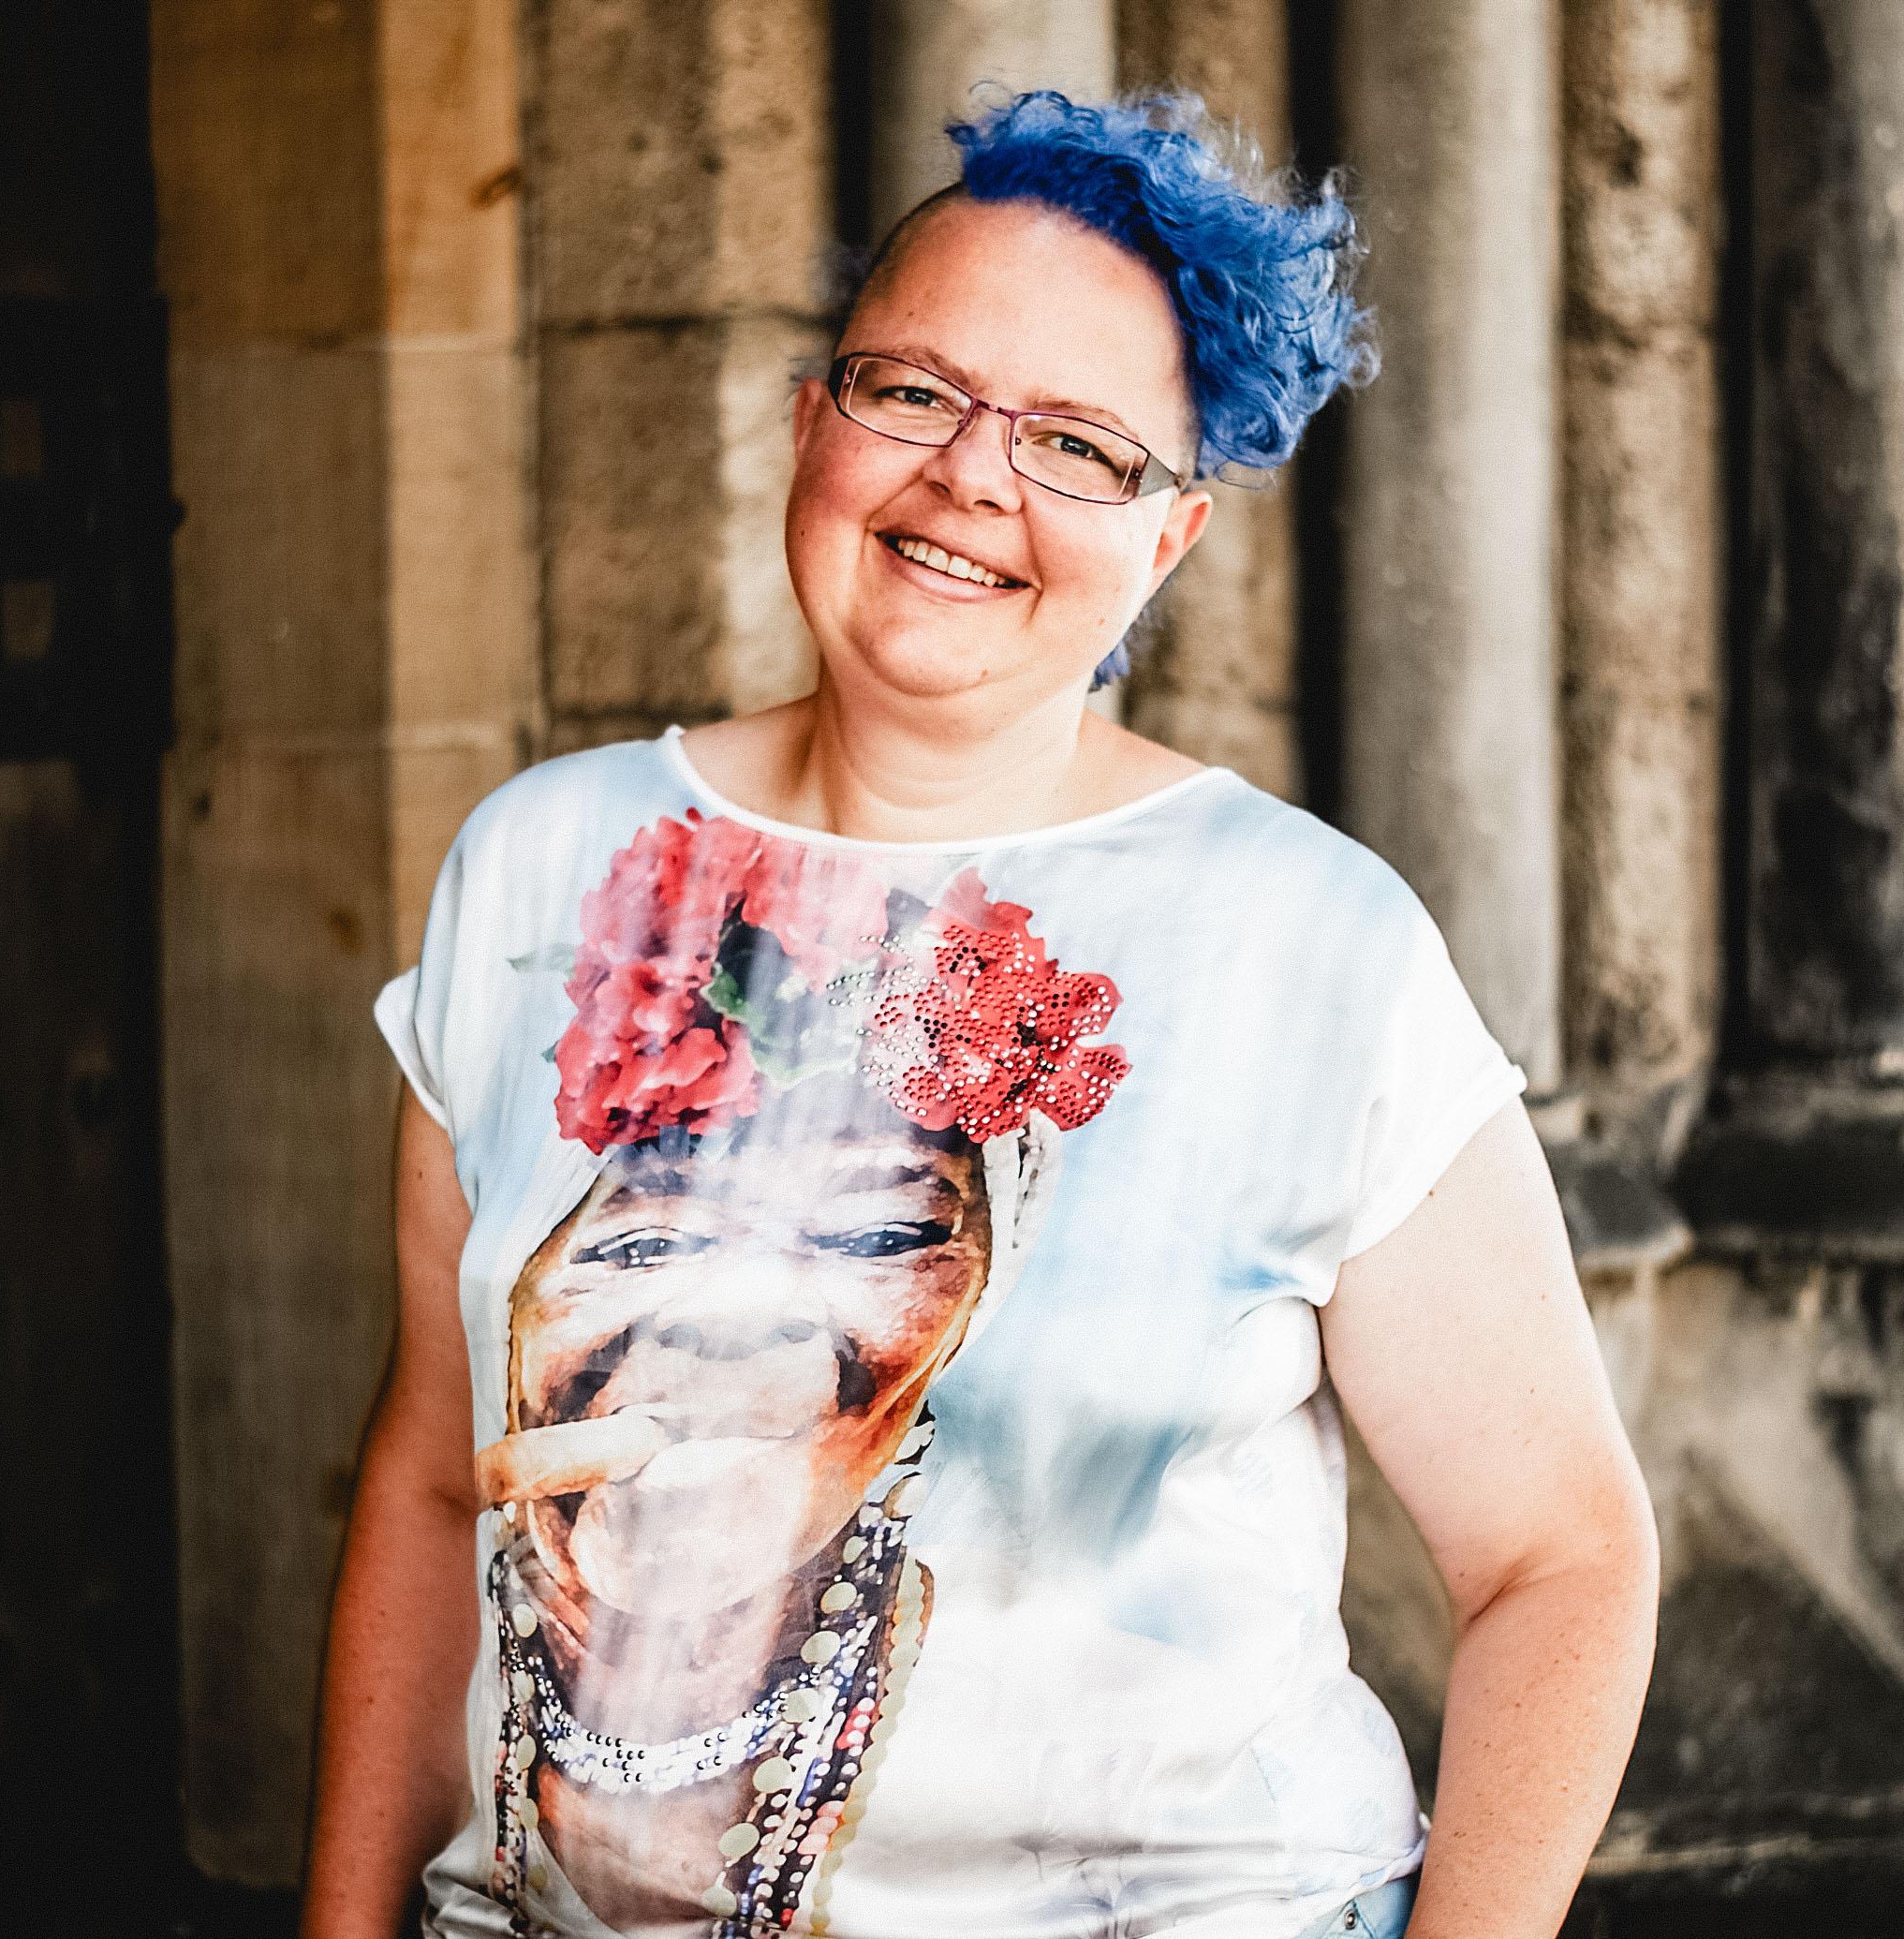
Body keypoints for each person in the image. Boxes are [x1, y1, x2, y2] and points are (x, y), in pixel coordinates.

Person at [303, 89, 1660, 1939]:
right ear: (808, 422)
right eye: (911, 390)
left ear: (1169, 543)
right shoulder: (543, 870)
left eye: (1079, 446)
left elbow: (1563, 1559)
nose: (968, 480)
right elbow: (422, 1465)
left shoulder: (1311, 944)